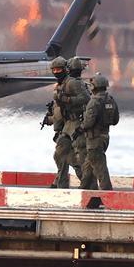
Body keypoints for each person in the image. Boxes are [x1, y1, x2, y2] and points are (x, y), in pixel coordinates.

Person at [49, 56, 89, 188]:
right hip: (67, 125)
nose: (56, 72)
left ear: (65, 69)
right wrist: (52, 119)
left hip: (77, 122)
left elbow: (86, 98)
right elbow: (59, 109)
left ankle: (88, 184)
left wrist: (67, 99)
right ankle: (61, 184)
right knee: (60, 154)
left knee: (79, 157)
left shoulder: (72, 83)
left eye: (59, 69)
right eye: (54, 70)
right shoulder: (60, 85)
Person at [78, 75, 119, 191]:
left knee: (99, 166)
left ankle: (106, 190)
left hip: (94, 138)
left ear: (94, 87)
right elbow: (115, 120)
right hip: (105, 137)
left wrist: (80, 128)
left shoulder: (94, 102)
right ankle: (84, 187)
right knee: (89, 165)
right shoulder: (111, 100)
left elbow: (88, 122)